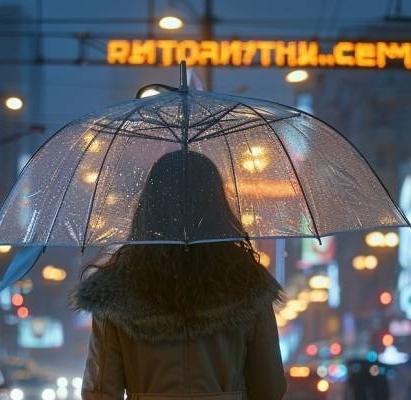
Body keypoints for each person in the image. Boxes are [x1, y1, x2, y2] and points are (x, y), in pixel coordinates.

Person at [71, 150, 287, 400]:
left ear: (148, 207)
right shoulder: (247, 283)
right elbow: (270, 387)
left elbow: (100, 392)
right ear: (217, 206)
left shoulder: (116, 288)